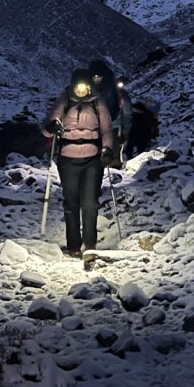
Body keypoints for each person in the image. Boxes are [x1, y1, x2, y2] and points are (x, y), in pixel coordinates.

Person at [42, 68, 115, 257]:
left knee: (90, 203)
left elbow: (107, 129)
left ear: (90, 86)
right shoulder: (64, 100)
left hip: (92, 159)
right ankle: (74, 246)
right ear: (73, 85)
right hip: (67, 158)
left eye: (84, 87)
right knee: (71, 203)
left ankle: (90, 245)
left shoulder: (98, 102)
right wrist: (51, 126)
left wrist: (107, 149)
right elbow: (47, 128)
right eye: (78, 87)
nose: (81, 91)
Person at [88, 59, 131, 154]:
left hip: (112, 125)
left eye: (98, 76)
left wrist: (125, 129)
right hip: (92, 126)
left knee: (111, 153)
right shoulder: (88, 89)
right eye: (94, 77)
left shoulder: (112, 89)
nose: (96, 79)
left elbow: (124, 110)